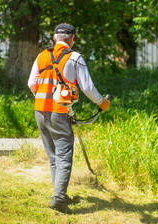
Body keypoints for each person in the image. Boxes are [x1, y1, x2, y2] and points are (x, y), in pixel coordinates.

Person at [27, 23, 110, 214]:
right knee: (64, 155)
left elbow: (32, 83)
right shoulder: (75, 57)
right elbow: (87, 88)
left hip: (39, 111)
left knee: (53, 155)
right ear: (72, 39)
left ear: (55, 38)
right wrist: (101, 103)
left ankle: (60, 194)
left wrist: (43, 97)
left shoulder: (42, 56)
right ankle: (58, 199)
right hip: (59, 112)